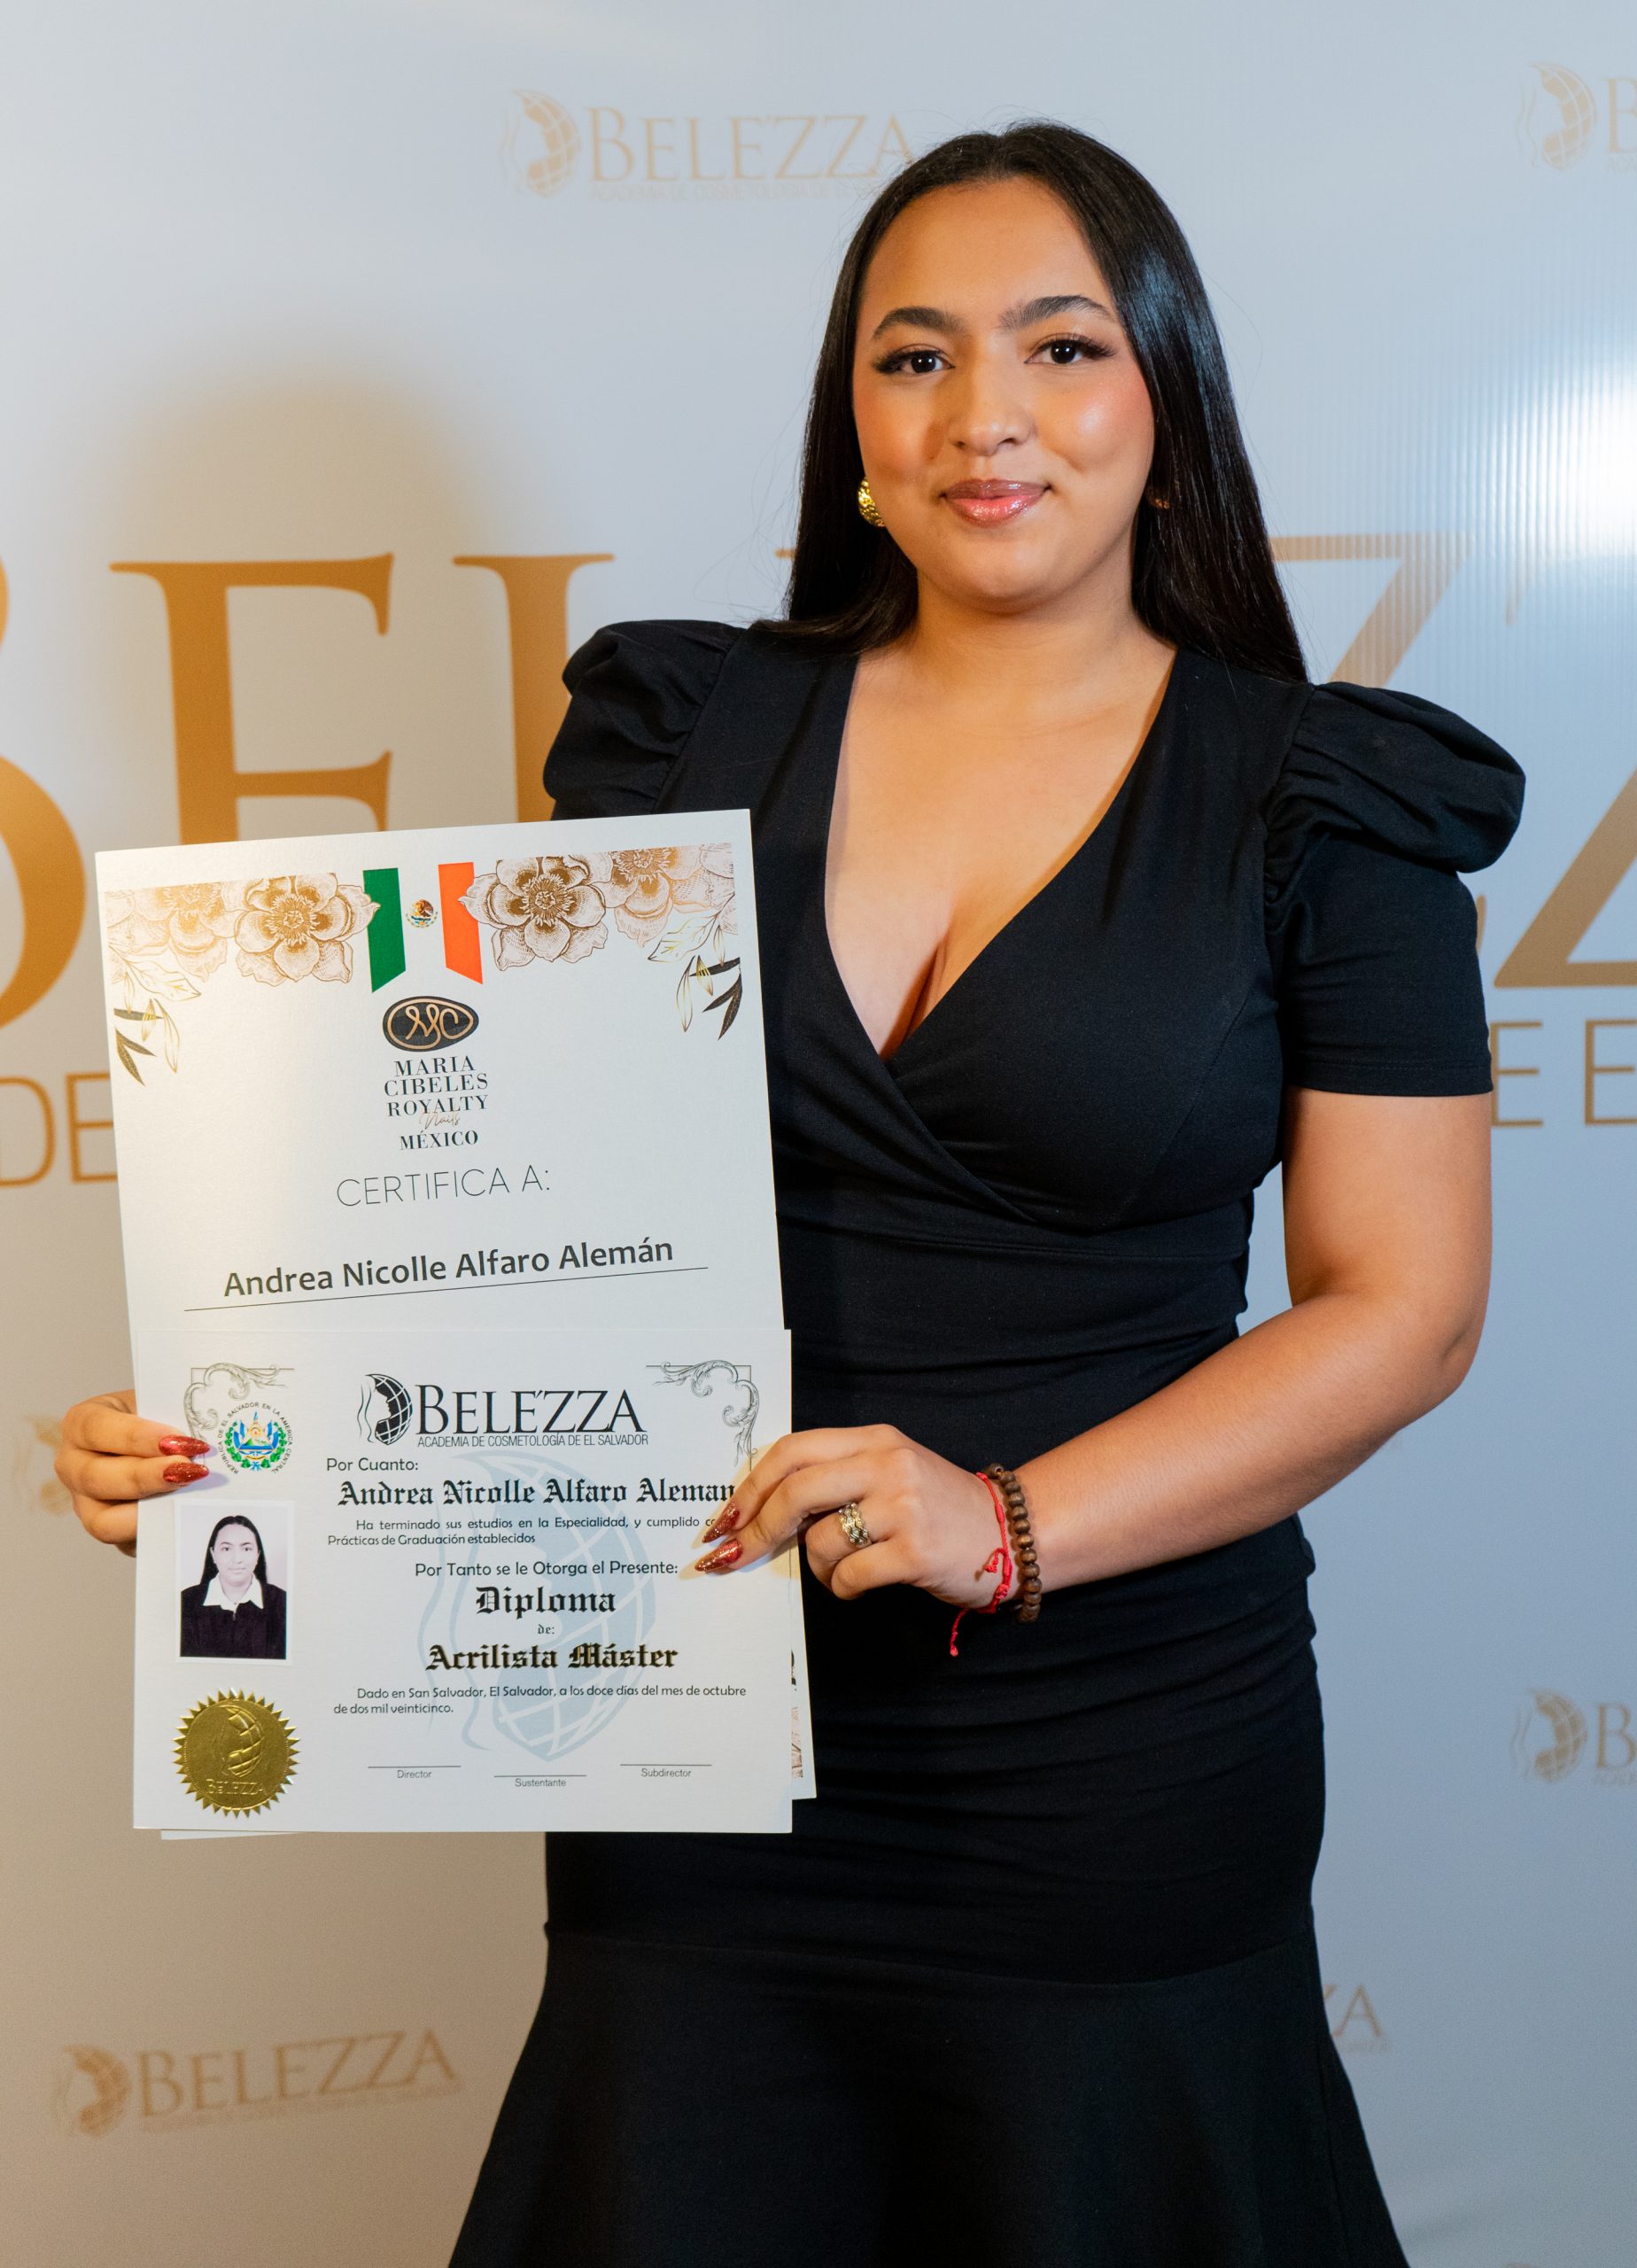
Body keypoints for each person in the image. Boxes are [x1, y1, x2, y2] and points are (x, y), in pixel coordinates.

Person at [56, 120, 1522, 2267]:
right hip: (693, 1720)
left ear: (1167, 405)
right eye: (915, 356)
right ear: (856, 425)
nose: (984, 413)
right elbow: (496, 1214)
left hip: (1114, 1762)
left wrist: (1003, 1521)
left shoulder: (1325, 797)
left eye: (1061, 347)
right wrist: (236, 1444)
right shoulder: (674, 739)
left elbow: (1406, 1306)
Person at [178, 1512, 287, 1659]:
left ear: (258, 1555)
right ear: (213, 1554)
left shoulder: (283, 1604)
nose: (237, 1559)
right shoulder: (184, 1603)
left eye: (246, 1549)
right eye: (226, 1549)